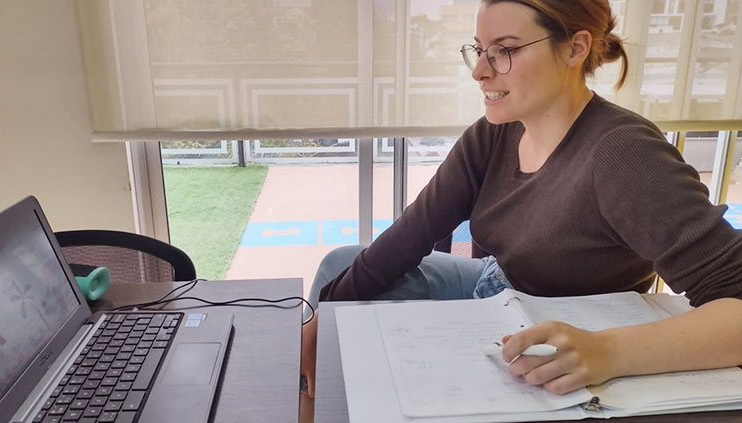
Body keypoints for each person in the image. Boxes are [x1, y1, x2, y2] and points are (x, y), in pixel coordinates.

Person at [300, 0, 742, 406]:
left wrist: (608, 352)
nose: (480, 72)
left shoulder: (622, 153)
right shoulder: (496, 131)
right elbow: (413, 231)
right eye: (479, 50)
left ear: (575, 49)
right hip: (497, 290)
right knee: (340, 270)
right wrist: (321, 319)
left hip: (557, 331)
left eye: (505, 50)